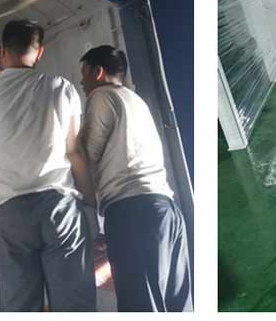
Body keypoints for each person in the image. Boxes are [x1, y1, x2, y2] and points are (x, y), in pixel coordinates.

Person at [0, 19, 97, 311]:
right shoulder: (61, 88)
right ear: (40, 52)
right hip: (59, 208)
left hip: (10, 212)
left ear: (3, 49)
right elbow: (75, 152)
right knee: (75, 304)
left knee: (19, 305)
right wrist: (90, 204)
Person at [78, 45, 192, 312]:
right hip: (165, 210)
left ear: (98, 72)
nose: (82, 84)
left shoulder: (101, 96)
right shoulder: (135, 100)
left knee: (141, 307)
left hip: (133, 212)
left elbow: (87, 154)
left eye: (84, 76)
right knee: (176, 306)